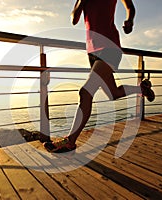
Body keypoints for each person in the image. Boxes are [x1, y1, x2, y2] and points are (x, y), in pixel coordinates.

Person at [44, 0, 155, 153]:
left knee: (85, 92)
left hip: (110, 48)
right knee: (112, 93)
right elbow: (74, 19)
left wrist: (130, 20)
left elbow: (129, 6)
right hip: (92, 51)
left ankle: (70, 141)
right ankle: (141, 89)